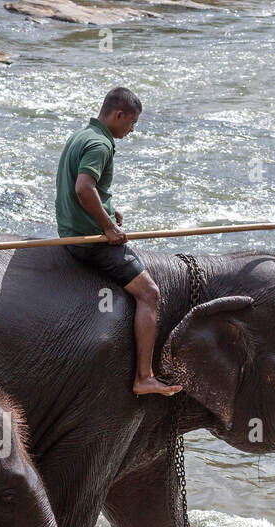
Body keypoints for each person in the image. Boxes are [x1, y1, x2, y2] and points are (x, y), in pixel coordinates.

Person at [55, 87, 180, 397]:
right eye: (132, 122)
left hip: (71, 229)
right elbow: (84, 188)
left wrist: (109, 210)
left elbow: (84, 187)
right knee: (150, 293)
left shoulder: (82, 134)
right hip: (90, 242)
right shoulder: (100, 144)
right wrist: (108, 227)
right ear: (117, 114)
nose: (132, 129)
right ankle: (144, 376)